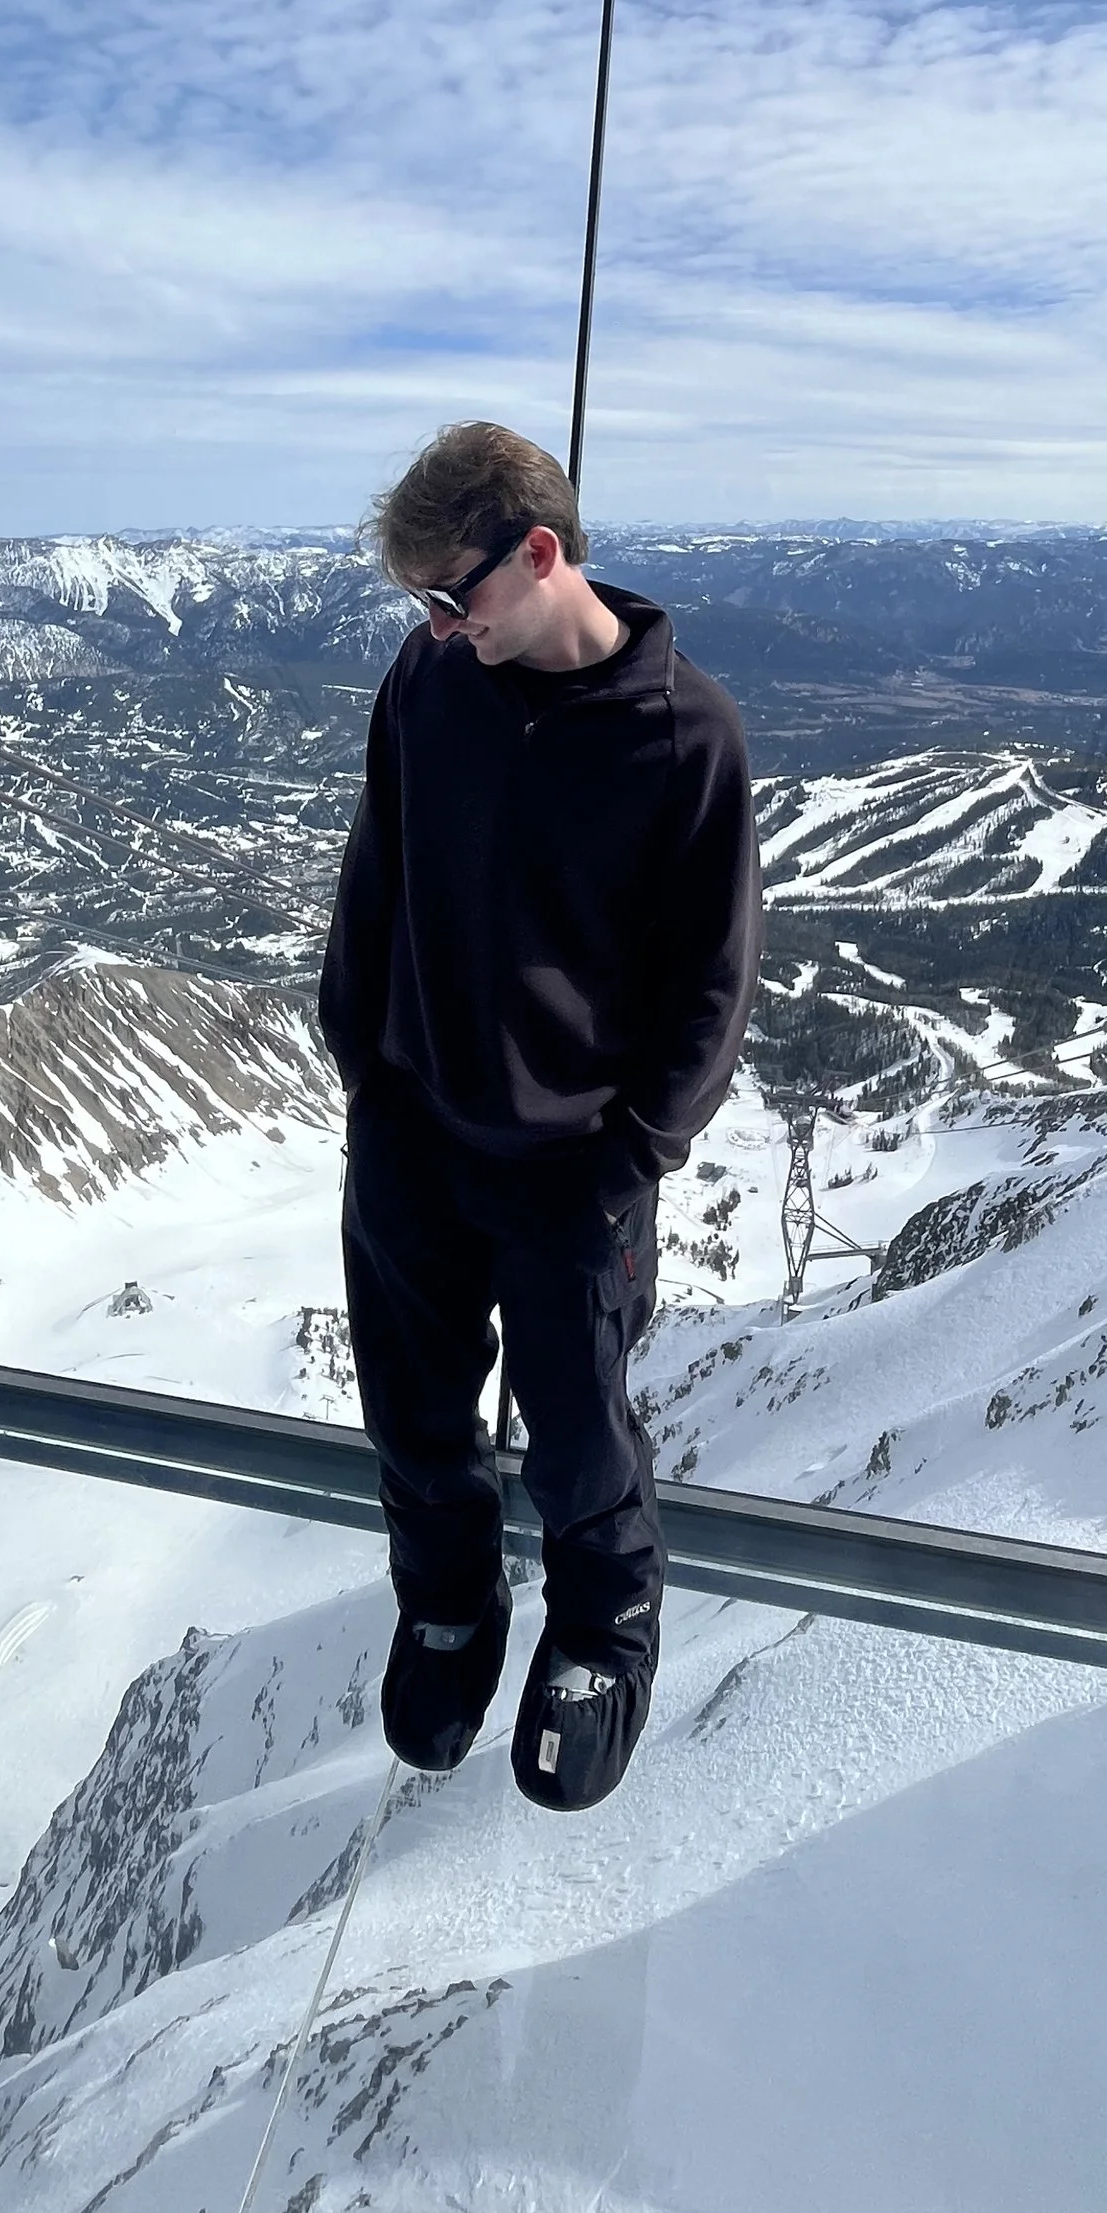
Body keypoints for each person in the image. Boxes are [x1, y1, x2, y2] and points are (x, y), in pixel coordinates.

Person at [319, 420, 761, 1811]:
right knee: (412, 1413)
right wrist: (365, 1063)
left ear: (543, 552)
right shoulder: (430, 678)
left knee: (579, 1433)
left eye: (457, 597)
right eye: (423, 608)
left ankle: (605, 1622)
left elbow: (713, 977)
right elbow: (377, 859)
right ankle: (447, 1605)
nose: (441, 630)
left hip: (572, 1167)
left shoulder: (684, 734)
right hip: (413, 1130)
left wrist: (630, 1157)